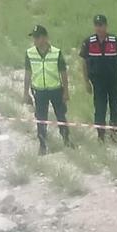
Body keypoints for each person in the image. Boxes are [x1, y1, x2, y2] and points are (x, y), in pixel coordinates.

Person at [23, 25, 71, 155]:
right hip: (39, 91)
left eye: (37, 37)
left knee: (61, 115)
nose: (35, 40)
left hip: (56, 89)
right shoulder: (30, 53)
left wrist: (66, 91)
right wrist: (25, 92)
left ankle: (66, 139)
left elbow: (63, 73)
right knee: (41, 118)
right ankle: (42, 144)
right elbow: (28, 73)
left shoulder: (56, 52)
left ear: (45, 38)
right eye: (34, 37)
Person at [80, 15, 117, 142]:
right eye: (96, 25)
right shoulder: (88, 42)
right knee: (99, 108)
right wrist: (86, 82)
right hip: (98, 82)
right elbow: (84, 63)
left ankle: (113, 134)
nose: (99, 28)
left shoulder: (115, 41)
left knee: (115, 107)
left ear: (106, 26)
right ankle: (100, 135)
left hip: (114, 81)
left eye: (101, 25)